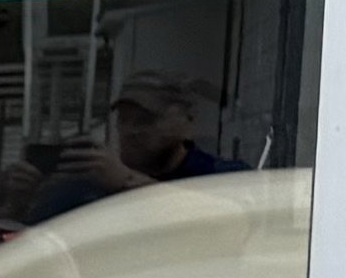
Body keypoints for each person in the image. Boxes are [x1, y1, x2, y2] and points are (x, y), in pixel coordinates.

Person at [19, 76, 223, 222]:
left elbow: (231, 221)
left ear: (185, 125)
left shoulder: (220, 177)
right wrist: (22, 196)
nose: (129, 131)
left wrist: (126, 182)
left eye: (145, 120)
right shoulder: (96, 180)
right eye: (123, 120)